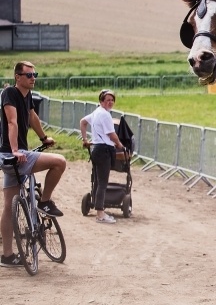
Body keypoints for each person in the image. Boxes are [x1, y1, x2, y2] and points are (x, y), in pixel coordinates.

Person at [1, 61, 67, 267]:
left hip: (11, 156)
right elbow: (12, 122)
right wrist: (14, 150)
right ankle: (45, 201)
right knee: (59, 162)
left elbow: (31, 116)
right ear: (17, 77)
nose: (33, 78)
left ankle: (8, 256)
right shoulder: (10, 93)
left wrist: (43, 138)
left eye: (34, 74)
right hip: (12, 154)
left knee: (9, 207)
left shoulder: (26, 95)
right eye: (28, 75)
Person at [80, 89, 126, 224]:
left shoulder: (96, 112)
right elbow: (111, 134)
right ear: (101, 101)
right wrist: (119, 144)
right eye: (108, 100)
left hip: (96, 149)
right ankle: (100, 213)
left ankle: (97, 206)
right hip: (104, 149)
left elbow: (83, 122)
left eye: (112, 100)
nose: (110, 102)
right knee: (102, 182)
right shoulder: (105, 115)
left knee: (97, 180)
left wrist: (85, 140)